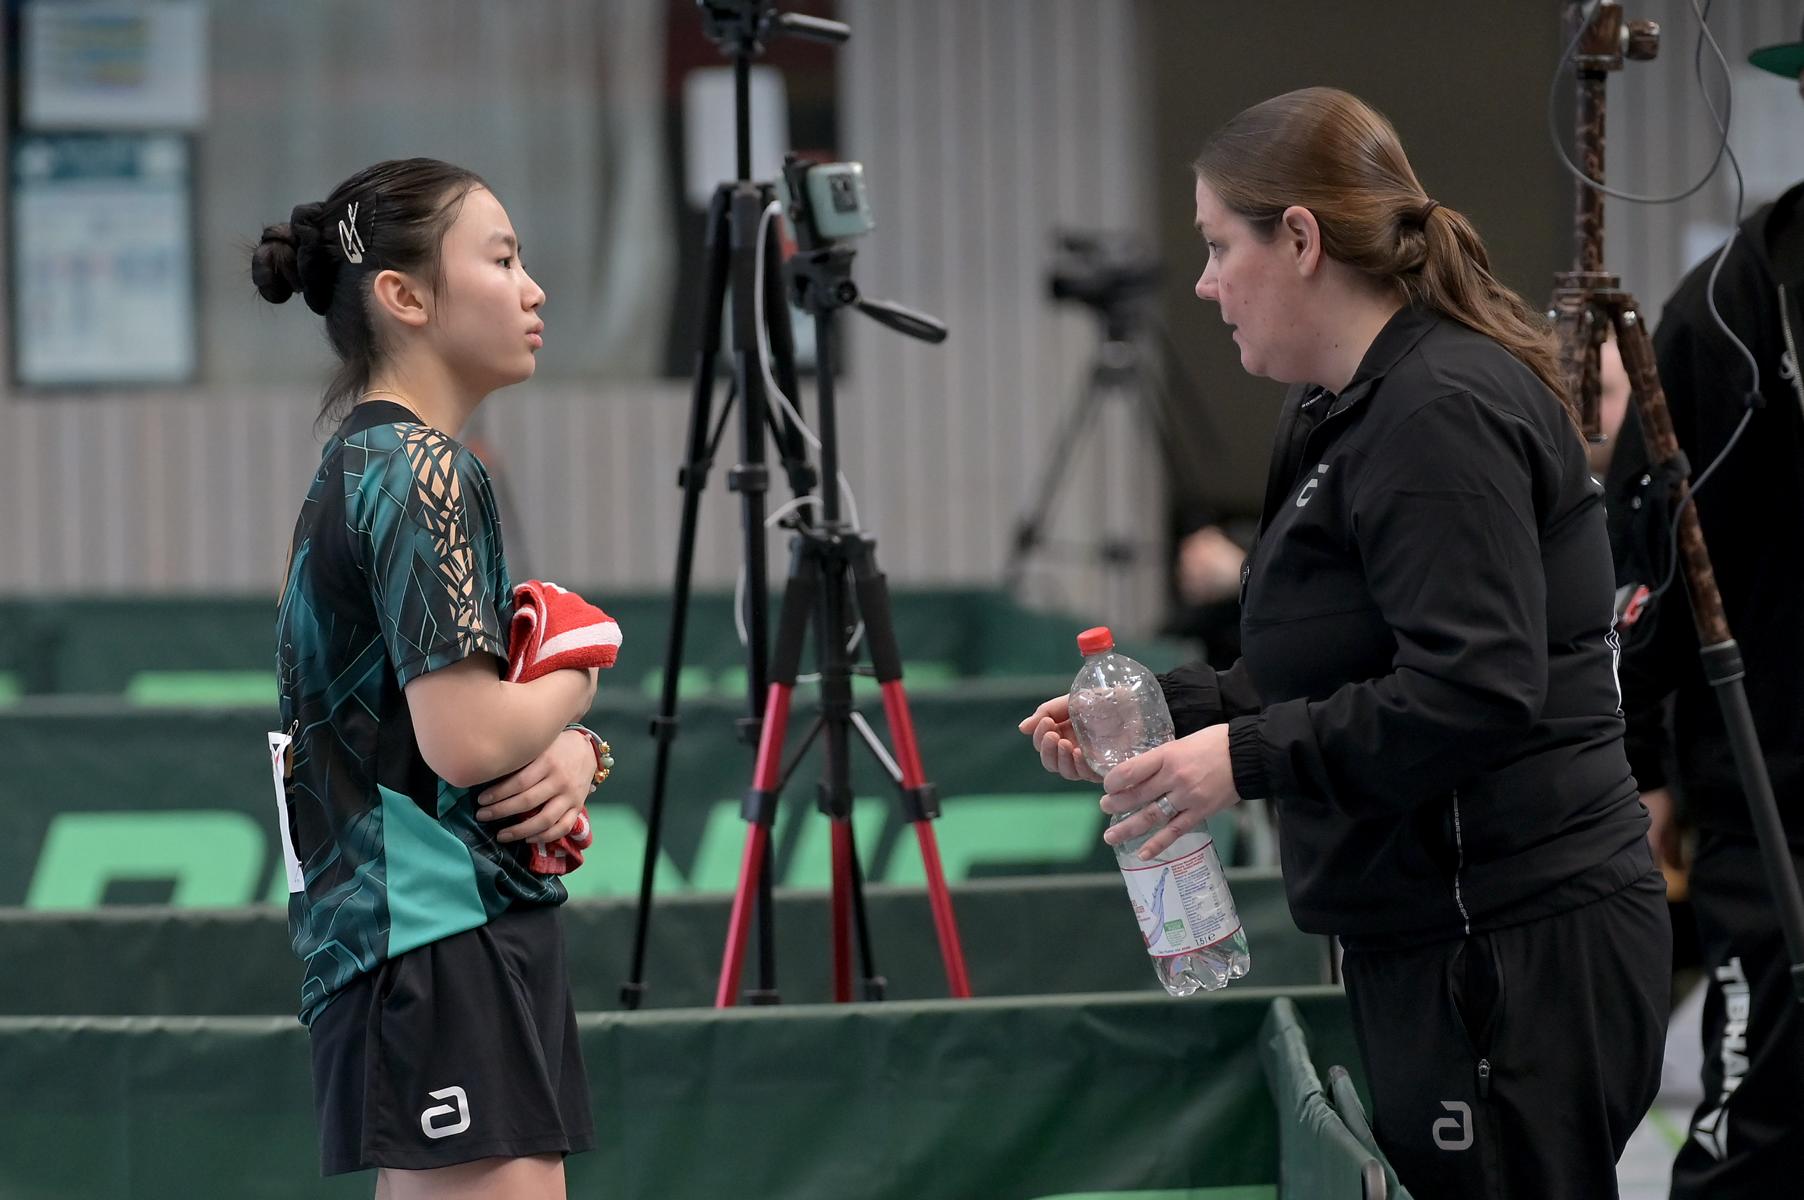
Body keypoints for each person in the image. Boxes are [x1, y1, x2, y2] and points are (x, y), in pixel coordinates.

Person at [1020, 88, 1668, 1199]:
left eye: (1218, 246)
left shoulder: (1438, 412)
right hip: (1431, 933)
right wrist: (1164, 715)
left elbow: (1474, 690)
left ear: (1301, 239)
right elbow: (1326, 667)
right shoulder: (1338, 410)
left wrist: (1241, 760)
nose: (1204, 284)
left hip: (1512, 939)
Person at [258, 158, 602, 1197]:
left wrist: (574, 753)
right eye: (501, 259)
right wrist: (584, 666)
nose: (533, 288)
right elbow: (467, 740)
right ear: (404, 297)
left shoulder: (364, 463)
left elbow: (432, 738)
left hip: (423, 937)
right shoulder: (421, 470)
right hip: (437, 940)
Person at [1604, 20, 1804, 1197]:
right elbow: (1652, 563)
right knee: (1755, 1134)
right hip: (1774, 811)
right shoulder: (1733, 305)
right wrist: (1639, 764)